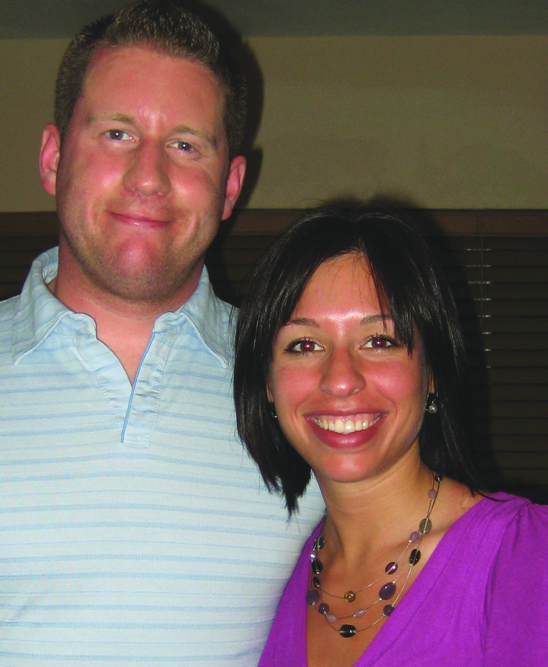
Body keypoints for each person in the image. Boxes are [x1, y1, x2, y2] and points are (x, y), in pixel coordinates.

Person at [0, 0, 324, 666]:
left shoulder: (308, 390)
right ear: (54, 157)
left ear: (230, 186)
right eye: (116, 133)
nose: (150, 176)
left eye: (184, 145)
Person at [234, 203, 548, 667]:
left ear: (433, 371)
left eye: (380, 341)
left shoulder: (523, 561)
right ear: (266, 385)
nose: (340, 379)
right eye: (304, 345)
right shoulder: (279, 580)